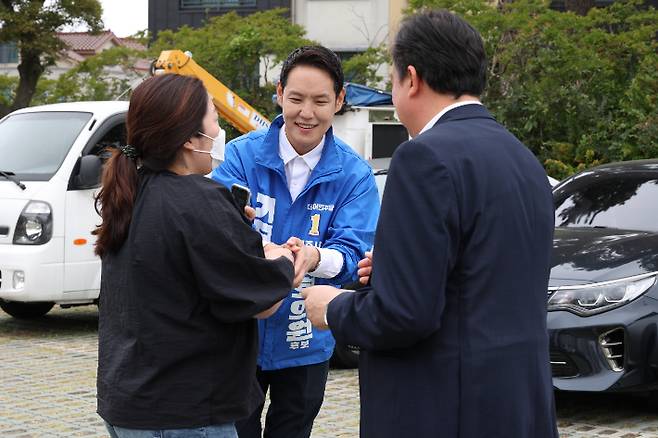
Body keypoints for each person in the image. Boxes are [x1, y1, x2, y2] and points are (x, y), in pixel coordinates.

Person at [302, 10, 559, 438]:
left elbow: (405, 315)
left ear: (413, 79)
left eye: (393, 79)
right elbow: (481, 276)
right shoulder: (522, 158)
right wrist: (390, 272)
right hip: (517, 403)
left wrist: (333, 307)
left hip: (445, 406)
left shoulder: (423, 157)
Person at [94, 74, 295, 438]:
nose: (219, 133)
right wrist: (286, 259)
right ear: (189, 138)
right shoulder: (200, 199)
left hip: (128, 402)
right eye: (215, 120)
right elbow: (261, 299)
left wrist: (233, 227)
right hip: (184, 412)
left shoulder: (133, 191)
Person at [211, 46, 379, 438]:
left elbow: (354, 254)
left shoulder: (355, 176)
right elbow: (213, 234)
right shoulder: (240, 157)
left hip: (307, 340)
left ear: (339, 100)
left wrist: (315, 255)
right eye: (296, 98)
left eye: (321, 101)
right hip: (238, 336)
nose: (307, 113)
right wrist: (263, 250)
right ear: (279, 93)